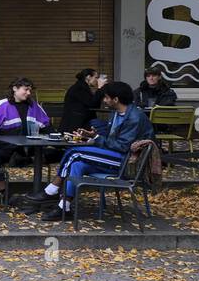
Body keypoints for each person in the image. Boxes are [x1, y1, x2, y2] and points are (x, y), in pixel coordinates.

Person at [41, 81, 154, 220]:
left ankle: (51, 190)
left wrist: (96, 138)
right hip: (115, 156)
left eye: (106, 97)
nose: (104, 100)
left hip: (126, 163)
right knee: (77, 164)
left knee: (75, 152)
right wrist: (91, 135)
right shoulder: (116, 113)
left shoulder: (134, 118)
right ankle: (64, 207)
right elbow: (111, 138)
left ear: (116, 99)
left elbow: (123, 146)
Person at [0, 77, 52, 198]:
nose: (29, 93)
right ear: (15, 89)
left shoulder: (34, 106)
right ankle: (5, 192)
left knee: (60, 154)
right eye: (26, 89)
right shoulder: (2, 105)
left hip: (29, 149)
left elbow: (47, 125)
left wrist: (58, 138)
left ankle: (28, 162)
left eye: (30, 90)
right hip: (6, 148)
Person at [58, 68, 107, 133]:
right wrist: (100, 88)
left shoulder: (81, 86)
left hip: (81, 123)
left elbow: (94, 104)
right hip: (77, 125)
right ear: (88, 77)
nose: (97, 80)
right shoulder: (79, 88)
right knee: (106, 127)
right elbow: (92, 103)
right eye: (96, 77)